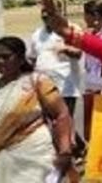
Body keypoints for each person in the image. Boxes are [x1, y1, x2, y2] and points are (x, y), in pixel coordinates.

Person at [0, 37, 74, 183]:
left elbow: (61, 115)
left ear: (20, 59)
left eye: (6, 57)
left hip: (35, 160)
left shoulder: (37, 82)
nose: (0, 61)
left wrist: (64, 151)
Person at [29, 8, 84, 155]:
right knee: (52, 120)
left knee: (65, 119)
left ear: (58, 13)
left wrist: (66, 49)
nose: (46, 19)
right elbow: (33, 58)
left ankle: (68, 152)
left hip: (66, 83)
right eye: (44, 16)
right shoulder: (37, 35)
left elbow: (79, 53)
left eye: (49, 15)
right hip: (45, 85)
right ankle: (79, 148)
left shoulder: (72, 29)